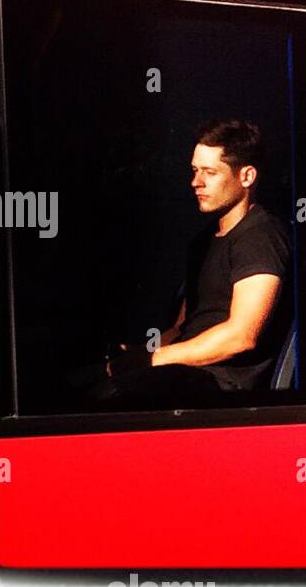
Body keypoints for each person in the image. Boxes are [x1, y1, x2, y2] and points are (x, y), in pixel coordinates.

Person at [100, 119, 291, 407]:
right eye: (195, 171)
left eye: (210, 172)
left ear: (247, 177)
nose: (196, 182)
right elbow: (182, 328)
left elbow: (241, 336)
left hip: (222, 385)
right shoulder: (204, 241)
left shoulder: (260, 236)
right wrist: (136, 354)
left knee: (112, 397)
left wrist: (152, 360)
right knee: (81, 383)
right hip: (186, 372)